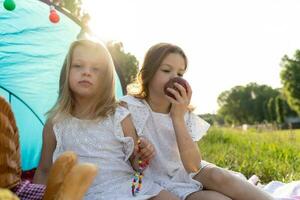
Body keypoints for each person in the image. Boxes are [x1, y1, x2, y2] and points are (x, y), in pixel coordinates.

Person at [121, 43, 274, 200]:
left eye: (180, 74)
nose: (174, 78)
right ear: (148, 73)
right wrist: (142, 154)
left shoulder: (182, 110)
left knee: (219, 175)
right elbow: (133, 163)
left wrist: (177, 117)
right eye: (166, 70)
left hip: (186, 173)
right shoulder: (130, 108)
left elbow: (193, 166)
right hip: (153, 180)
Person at [33, 39, 179, 200]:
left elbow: (135, 163)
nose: (86, 72)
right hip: (81, 193)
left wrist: (143, 155)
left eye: (95, 69)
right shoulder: (56, 122)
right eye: (78, 66)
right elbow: (45, 170)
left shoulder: (119, 116)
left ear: (106, 78)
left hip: (124, 188)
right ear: (66, 71)